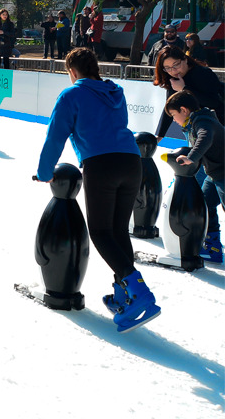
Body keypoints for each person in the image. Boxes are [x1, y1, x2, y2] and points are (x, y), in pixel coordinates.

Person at [35, 48, 159, 333]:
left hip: (102, 165)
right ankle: (123, 294)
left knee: (101, 232)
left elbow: (56, 134)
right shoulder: (116, 92)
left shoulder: (71, 95)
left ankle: (139, 292)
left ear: (73, 72)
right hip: (131, 162)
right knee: (117, 231)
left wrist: (44, 172)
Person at [164, 90, 224, 263]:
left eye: (174, 115)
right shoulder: (198, 120)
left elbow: (205, 137)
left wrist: (191, 157)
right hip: (214, 174)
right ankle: (213, 247)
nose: (174, 121)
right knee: (204, 205)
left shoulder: (203, 121)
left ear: (184, 110)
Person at [153, 47, 224, 138]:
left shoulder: (202, 73)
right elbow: (170, 106)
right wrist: (160, 135)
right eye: (167, 68)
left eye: (176, 65)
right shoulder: (172, 79)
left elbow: (213, 102)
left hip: (217, 123)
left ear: (185, 59)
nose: (173, 70)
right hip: (196, 127)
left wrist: (184, 89)